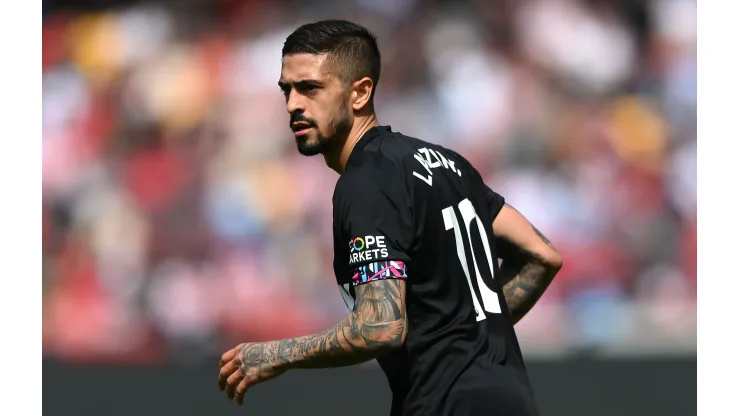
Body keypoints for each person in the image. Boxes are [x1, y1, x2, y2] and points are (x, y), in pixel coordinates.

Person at [218, 20, 563, 415]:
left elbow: (379, 326)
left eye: (310, 88)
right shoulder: (447, 165)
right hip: (512, 399)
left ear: (360, 92)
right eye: (287, 90)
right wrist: (470, 334)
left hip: (446, 404)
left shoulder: (367, 180)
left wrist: (277, 354)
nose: (293, 104)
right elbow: (541, 255)